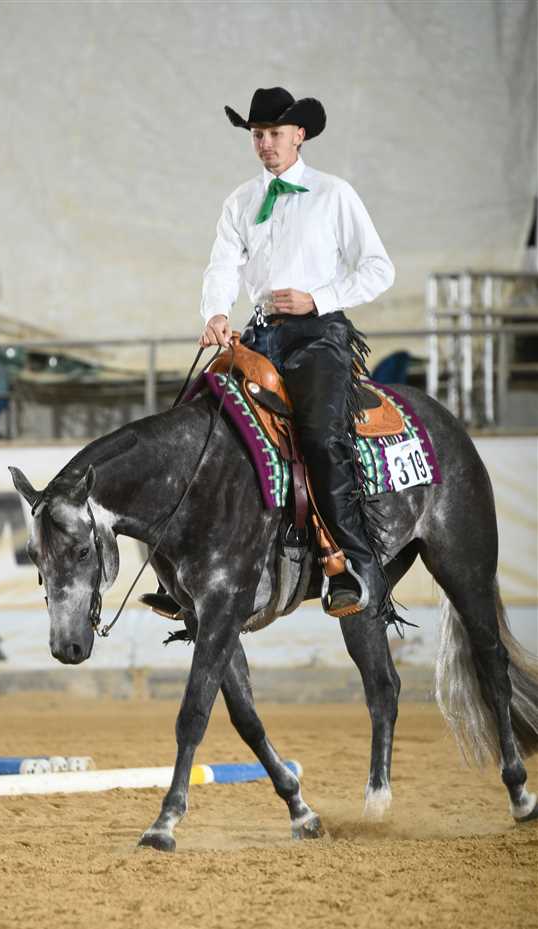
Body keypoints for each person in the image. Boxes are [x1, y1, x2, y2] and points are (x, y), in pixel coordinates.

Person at [199, 87, 395, 618]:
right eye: (257, 135)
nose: (265, 143)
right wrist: (216, 313)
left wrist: (319, 299)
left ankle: (353, 564)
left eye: (274, 134)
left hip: (319, 335)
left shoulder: (333, 194)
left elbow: (378, 268)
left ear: (299, 135)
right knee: (205, 417)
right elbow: (223, 265)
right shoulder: (240, 201)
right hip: (260, 335)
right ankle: (201, 566)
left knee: (321, 436)